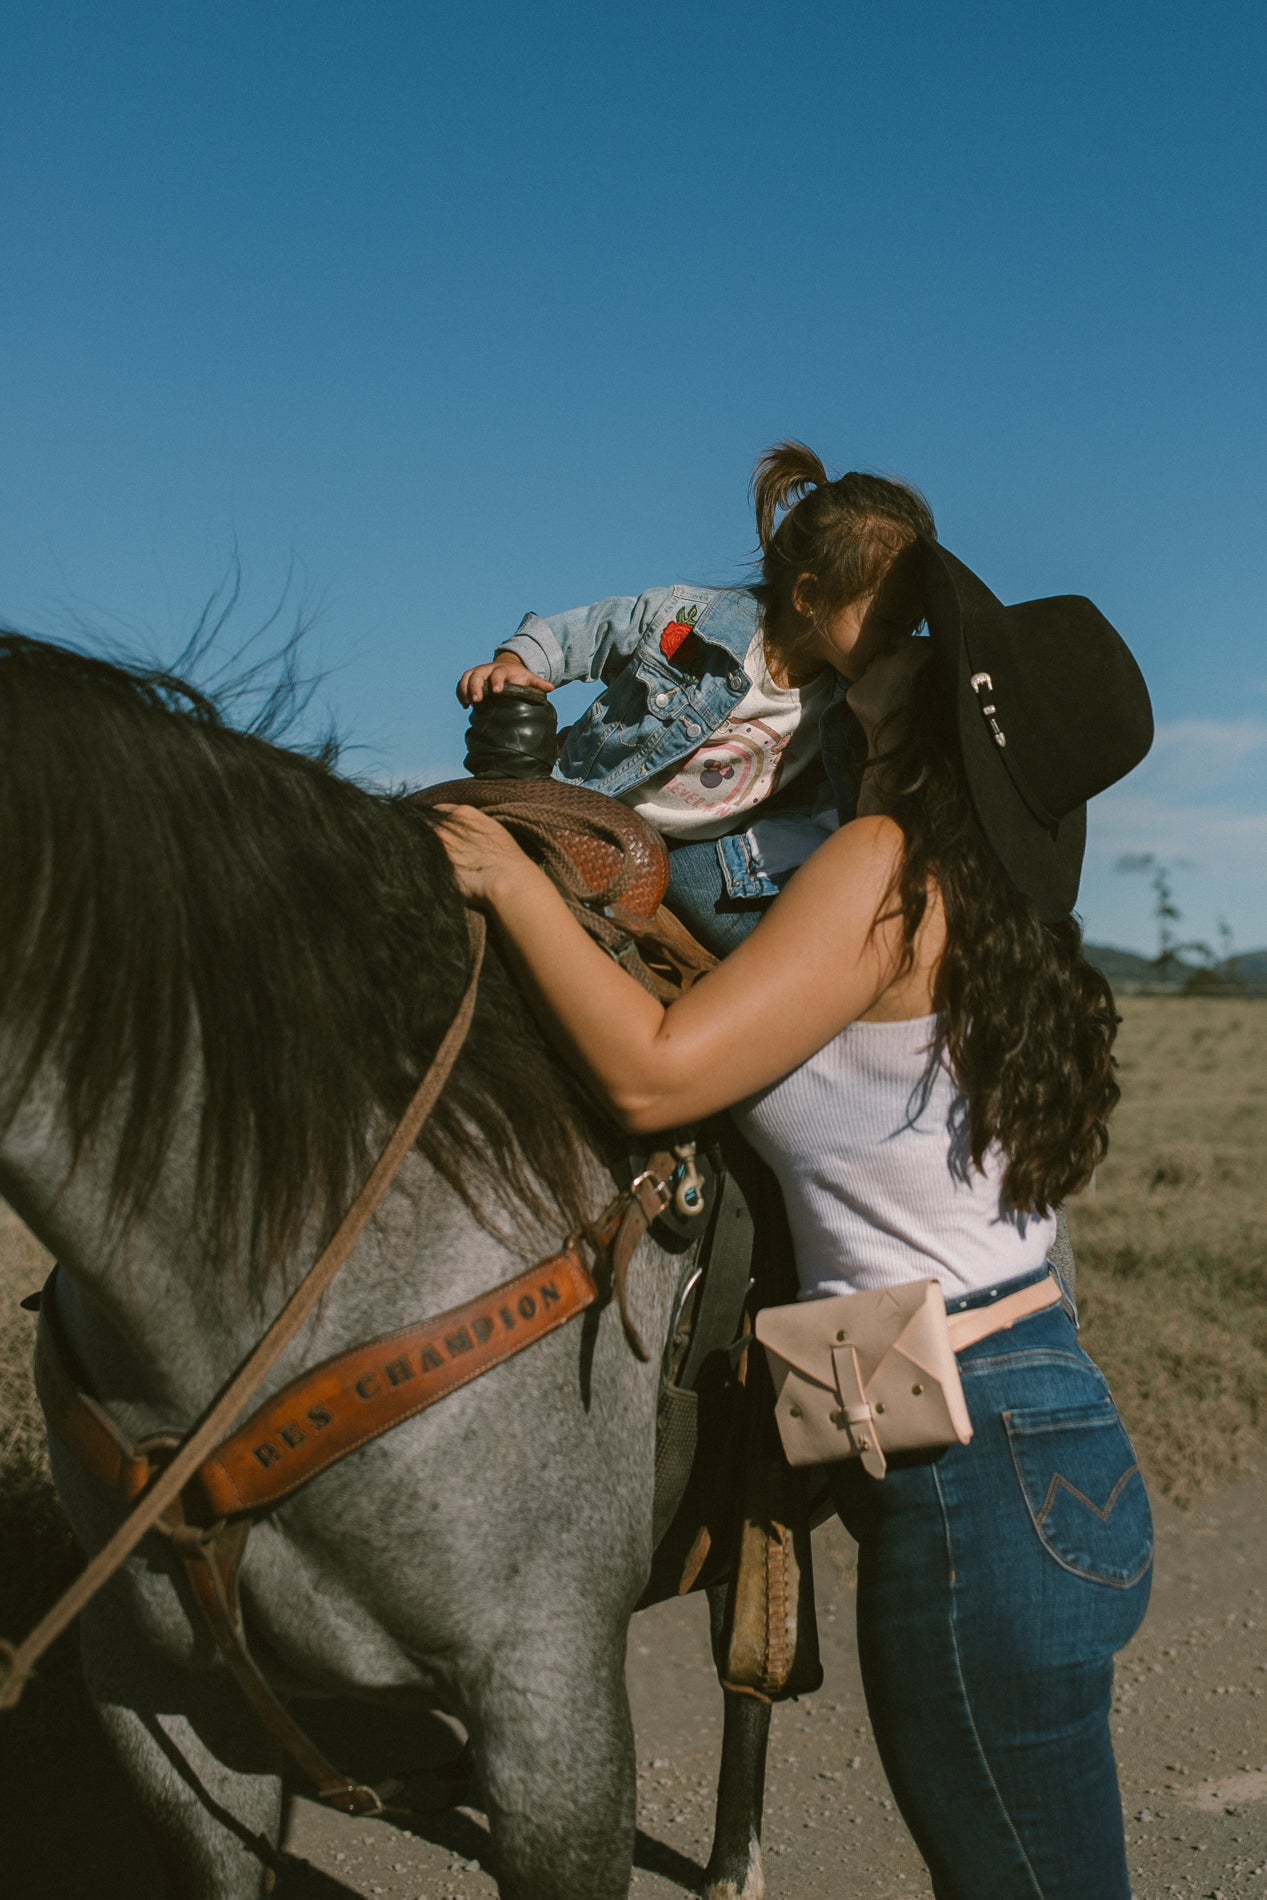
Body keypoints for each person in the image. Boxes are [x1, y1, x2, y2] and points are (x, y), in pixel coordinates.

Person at [436, 530, 1156, 1900]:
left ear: (942, 718)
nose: (886, 656)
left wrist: (503, 875)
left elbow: (655, 1074)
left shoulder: (876, 861)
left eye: (924, 655)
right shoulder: (973, 899)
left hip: (968, 1482)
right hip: (1039, 1431)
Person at [455, 443, 934, 953]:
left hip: (704, 856)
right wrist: (515, 664)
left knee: (769, 953)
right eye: (886, 622)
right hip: (598, 804)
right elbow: (592, 632)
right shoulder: (689, 625)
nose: (897, 643)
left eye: (909, 627)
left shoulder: (847, 701)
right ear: (810, 597)